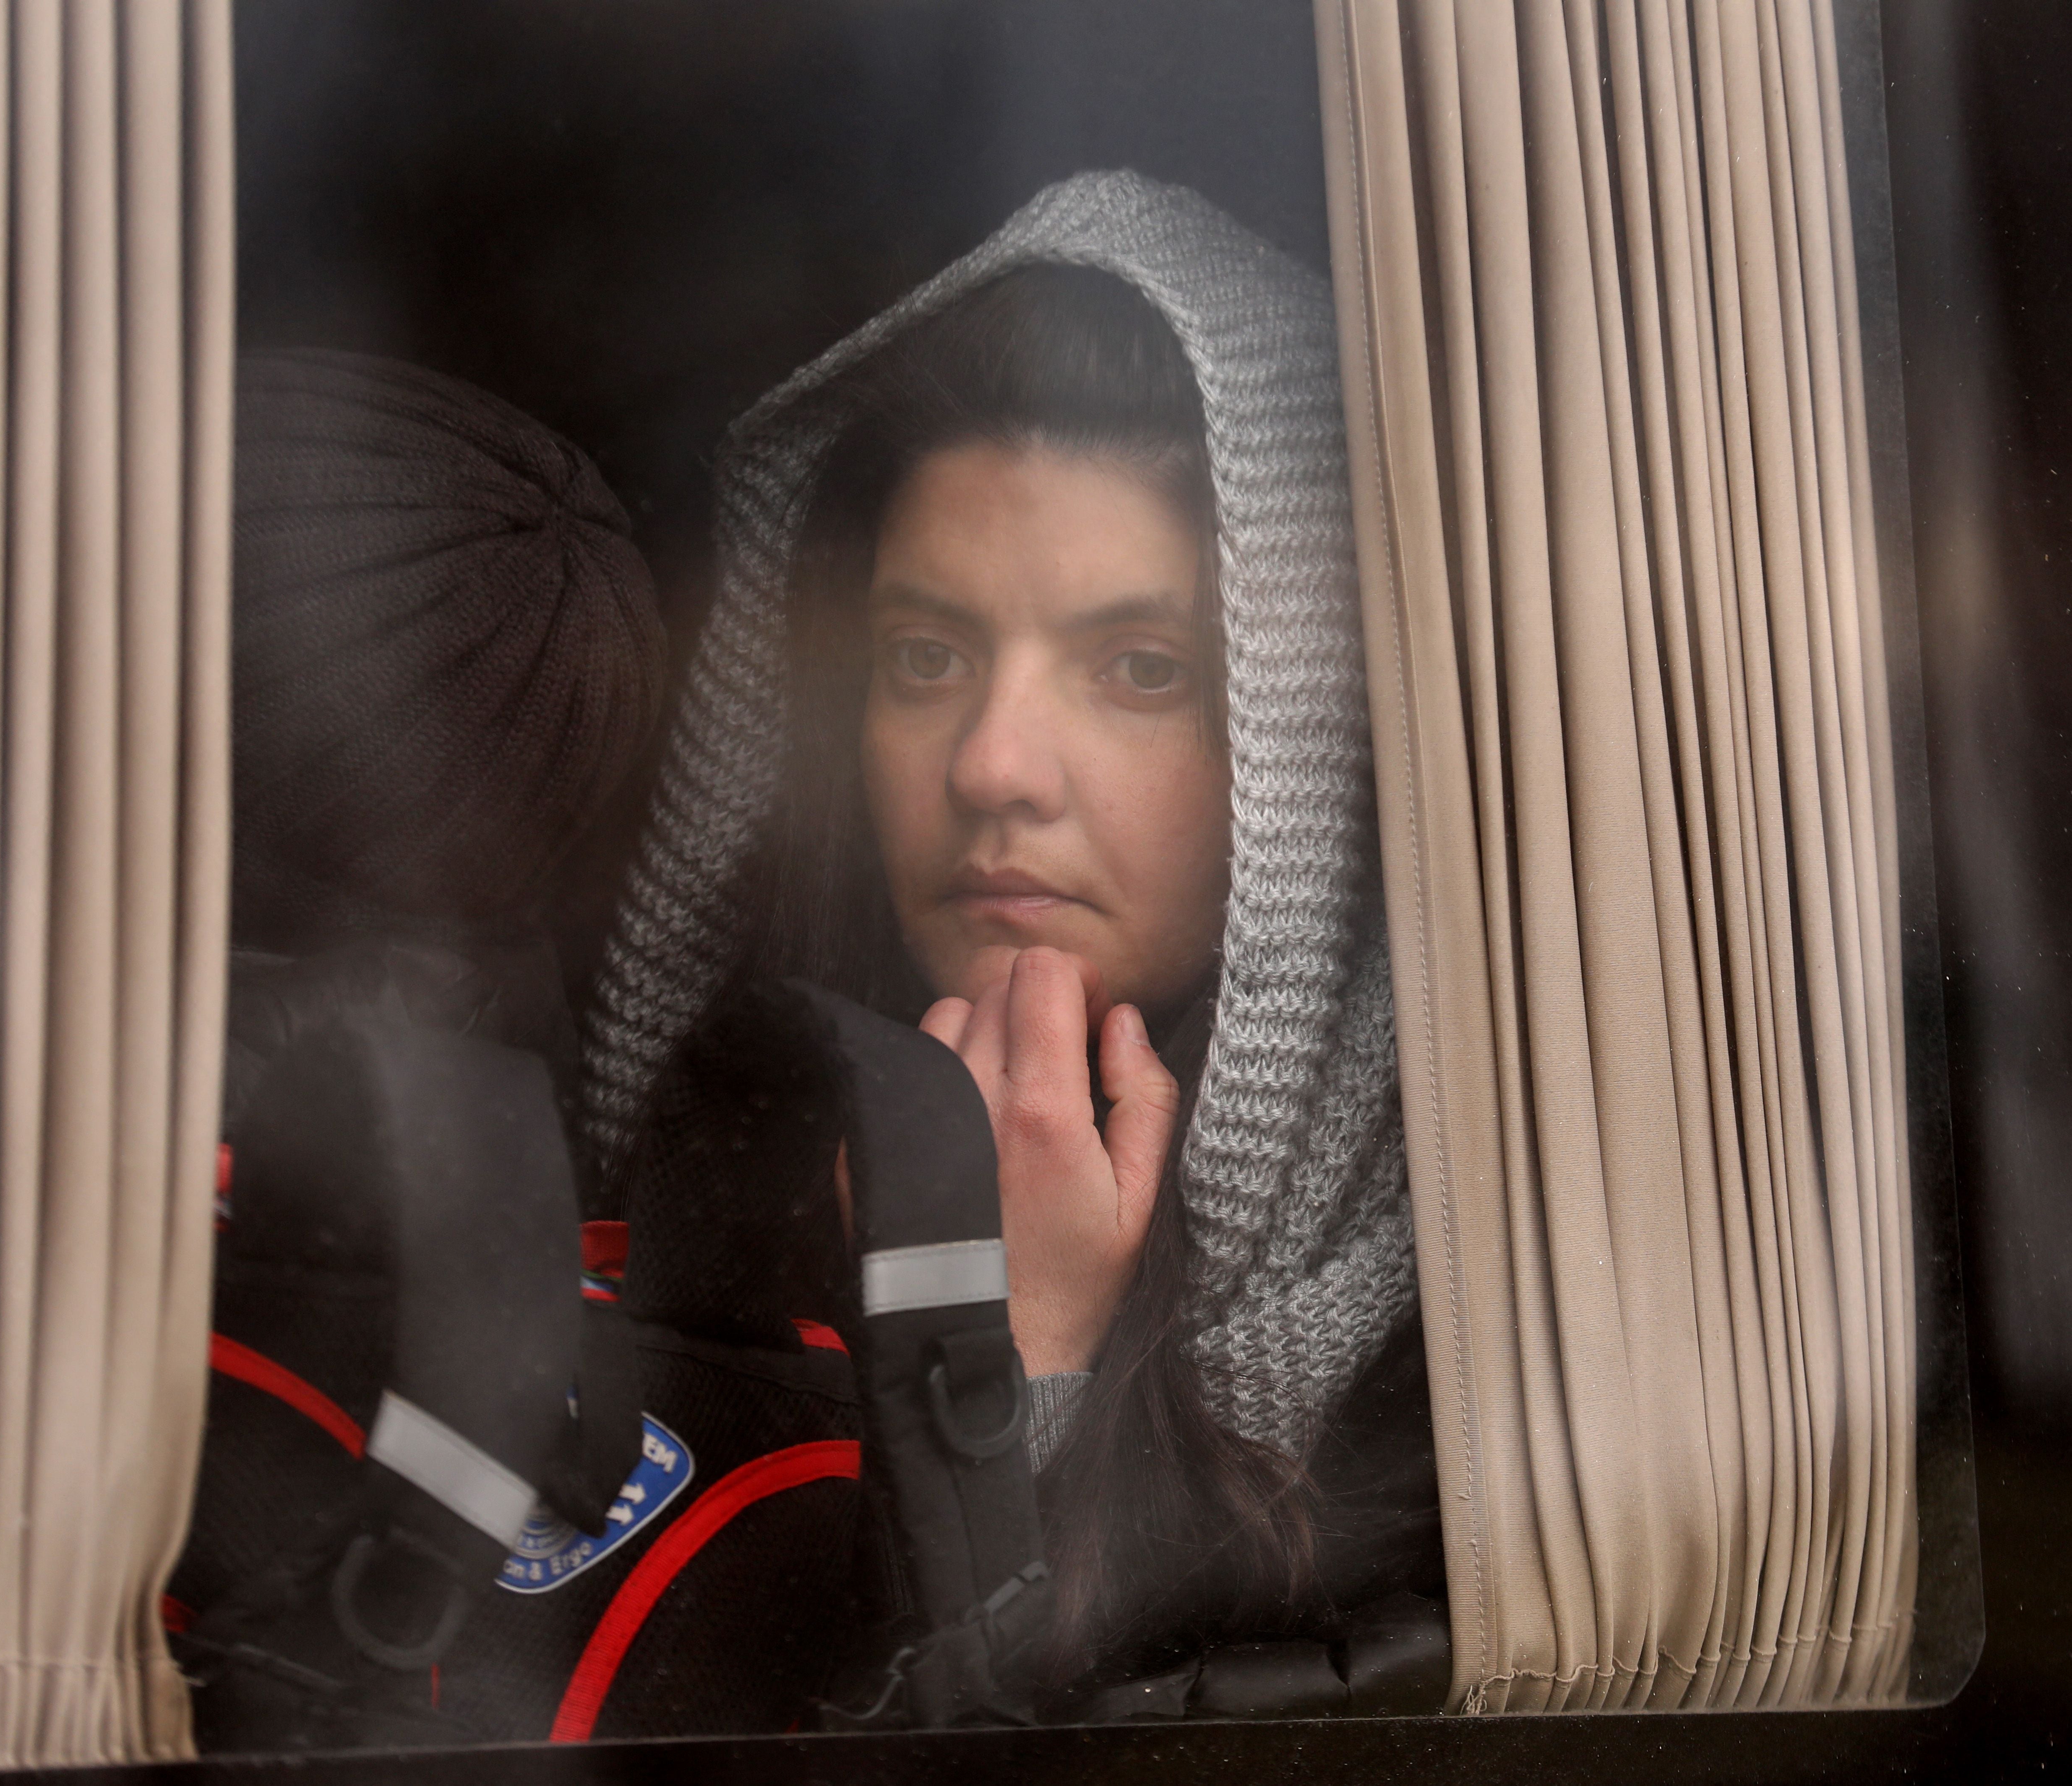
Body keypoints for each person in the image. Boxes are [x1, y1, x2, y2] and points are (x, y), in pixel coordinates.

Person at [584, 170, 1444, 1709]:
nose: (992, 763)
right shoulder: (695, 1186)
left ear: (1309, 739)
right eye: (925, 655)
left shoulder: (1476, 1338)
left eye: (1136, 666)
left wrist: (999, 1363)